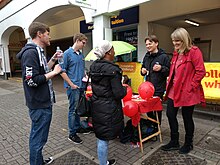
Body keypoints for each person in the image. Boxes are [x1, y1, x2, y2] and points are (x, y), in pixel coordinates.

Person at [16, 22, 62, 165]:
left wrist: (53, 60)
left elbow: (42, 71)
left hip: (43, 102)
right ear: (39, 34)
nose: (49, 36)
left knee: (40, 137)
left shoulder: (38, 51)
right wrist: (54, 73)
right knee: (38, 138)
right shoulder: (31, 53)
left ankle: (39, 160)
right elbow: (31, 80)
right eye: (47, 33)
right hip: (39, 104)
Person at [161, 28, 206, 154]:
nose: (175, 43)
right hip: (174, 90)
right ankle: (174, 141)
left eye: (178, 41)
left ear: (184, 39)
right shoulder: (176, 53)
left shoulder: (194, 52)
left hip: (187, 91)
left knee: (187, 117)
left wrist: (191, 86)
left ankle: (188, 143)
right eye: (173, 41)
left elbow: (201, 71)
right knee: (170, 114)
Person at [90, 40, 127, 165]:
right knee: (104, 138)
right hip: (109, 107)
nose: (114, 52)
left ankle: (103, 161)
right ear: (108, 52)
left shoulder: (93, 66)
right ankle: (102, 163)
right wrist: (125, 87)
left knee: (101, 136)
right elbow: (119, 93)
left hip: (97, 105)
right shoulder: (113, 70)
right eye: (113, 49)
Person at [60, 33, 91, 144]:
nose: (84, 45)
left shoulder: (80, 55)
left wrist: (86, 78)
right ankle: (72, 134)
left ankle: (77, 128)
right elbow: (62, 71)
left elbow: (82, 70)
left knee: (78, 109)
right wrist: (71, 84)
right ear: (77, 40)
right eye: (83, 43)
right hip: (73, 87)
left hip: (81, 85)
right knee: (73, 110)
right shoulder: (67, 54)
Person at [140, 35, 170, 126]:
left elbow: (169, 72)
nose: (148, 46)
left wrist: (161, 68)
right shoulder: (146, 56)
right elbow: (142, 69)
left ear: (156, 43)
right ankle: (150, 126)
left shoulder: (164, 56)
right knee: (148, 108)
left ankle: (157, 126)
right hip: (147, 88)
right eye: (146, 44)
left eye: (150, 43)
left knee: (157, 109)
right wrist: (142, 71)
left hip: (158, 88)